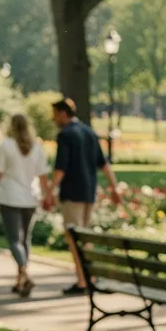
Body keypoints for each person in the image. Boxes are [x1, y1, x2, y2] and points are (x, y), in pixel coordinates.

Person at [45, 98, 122, 296]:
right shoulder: (89, 132)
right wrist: (114, 188)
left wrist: (51, 190)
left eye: (55, 114)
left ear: (63, 113)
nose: (54, 119)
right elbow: (103, 164)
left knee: (74, 238)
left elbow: (61, 168)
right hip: (88, 192)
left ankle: (82, 281)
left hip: (72, 193)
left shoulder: (66, 135)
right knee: (85, 237)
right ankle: (90, 277)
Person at [0, 113, 49, 298]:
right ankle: (20, 280)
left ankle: (24, 274)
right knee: (25, 239)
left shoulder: (6, 146)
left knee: (14, 240)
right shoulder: (37, 147)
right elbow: (43, 176)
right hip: (30, 198)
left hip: (10, 197)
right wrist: (48, 196)